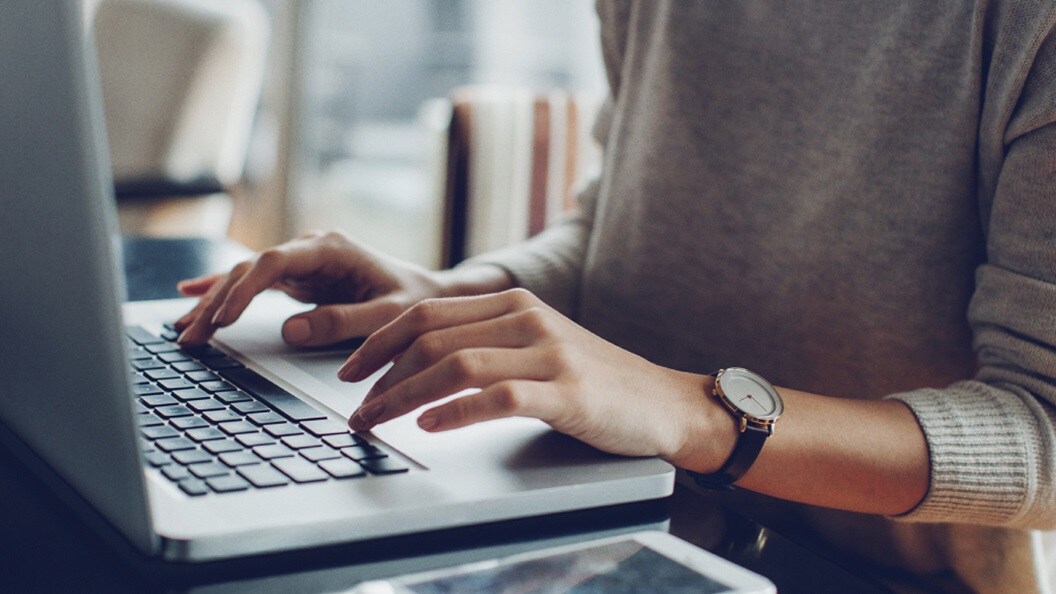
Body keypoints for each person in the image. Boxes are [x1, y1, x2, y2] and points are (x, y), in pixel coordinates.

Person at [176, 2, 1056, 592]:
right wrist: (459, 294)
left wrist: (698, 414)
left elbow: (1045, 435)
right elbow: (613, 228)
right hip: (598, 535)